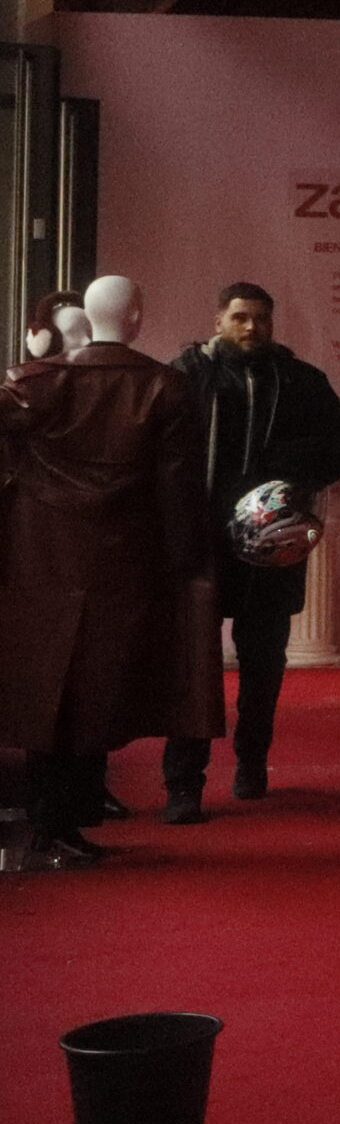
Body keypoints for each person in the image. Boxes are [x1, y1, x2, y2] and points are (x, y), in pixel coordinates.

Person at [0, 277, 222, 864]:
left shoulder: (30, 384)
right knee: (99, 688)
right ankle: (67, 820)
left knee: (46, 685)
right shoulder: (164, 387)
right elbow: (177, 487)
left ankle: (51, 824)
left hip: (39, 555)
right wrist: (189, 561)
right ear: (137, 317)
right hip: (123, 557)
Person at [161, 281, 340, 823]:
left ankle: (252, 764)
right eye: (240, 317)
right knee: (194, 668)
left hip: (271, 550)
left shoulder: (301, 380)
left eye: (261, 319)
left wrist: (290, 474)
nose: (252, 327)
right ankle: (184, 784)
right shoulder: (184, 377)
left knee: (264, 665)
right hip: (200, 544)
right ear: (219, 320)